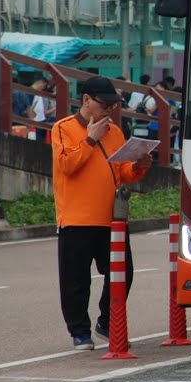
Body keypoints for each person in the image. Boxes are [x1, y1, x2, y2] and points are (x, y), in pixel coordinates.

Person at [50, 75, 151, 351]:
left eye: (113, 105)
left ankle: (107, 321)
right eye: (104, 103)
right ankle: (79, 331)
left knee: (122, 272)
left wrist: (139, 165)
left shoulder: (115, 132)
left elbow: (122, 173)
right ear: (86, 100)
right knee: (75, 280)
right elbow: (67, 165)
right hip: (76, 218)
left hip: (111, 219)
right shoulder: (63, 128)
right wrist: (90, 139)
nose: (109, 110)